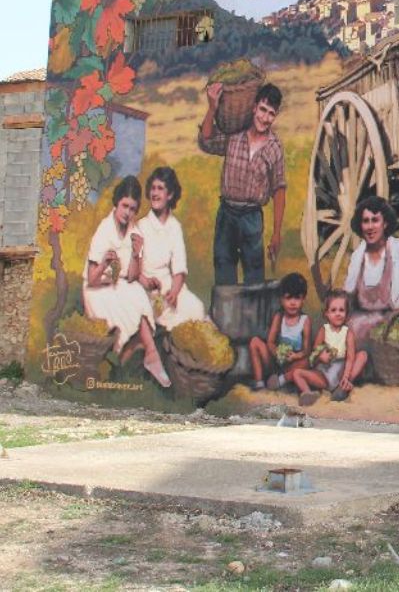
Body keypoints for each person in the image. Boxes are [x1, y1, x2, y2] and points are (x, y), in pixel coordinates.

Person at [81, 175, 171, 388]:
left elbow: (130, 276)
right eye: (124, 207)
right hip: (97, 289)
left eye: (132, 209)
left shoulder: (133, 231)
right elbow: (92, 280)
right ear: (116, 203)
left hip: (118, 285)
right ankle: (144, 355)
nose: (127, 213)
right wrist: (104, 263)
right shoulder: (104, 231)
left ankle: (144, 355)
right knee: (133, 296)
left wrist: (136, 254)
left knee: (135, 292)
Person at [198, 82, 286, 285]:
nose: (264, 118)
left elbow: (279, 189)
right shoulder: (234, 136)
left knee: (254, 278)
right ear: (254, 107)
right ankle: (225, 316)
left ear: (275, 116)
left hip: (252, 218)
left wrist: (276, 234)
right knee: (223, 270)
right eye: (262, 110)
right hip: (226, 215)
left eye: (271, 114)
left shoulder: (275, 148)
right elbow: (206, 138)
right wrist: (212, 108)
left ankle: (252, 317)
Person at [342, 195, 399, 349]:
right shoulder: (358, 255)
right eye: (365, 221)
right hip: (358, 327)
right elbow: (348, 295)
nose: (370, 227)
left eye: (375, 220)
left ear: (385, 223)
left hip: (392, 324)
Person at [136, 166, 207, 331]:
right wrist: (146, 282)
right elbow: (134, 269)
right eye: (153, 188)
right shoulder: (141, 227)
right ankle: (166, 341)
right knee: (162, 315)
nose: (155, 193)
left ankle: (180, 343)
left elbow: (179, 268)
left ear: (170, 194)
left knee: (196, 308)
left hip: (170, 286)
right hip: (147, 288)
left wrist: (174, 292)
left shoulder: (175, 227)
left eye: (160, 188)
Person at [293, 292, 368, 405]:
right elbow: (314, 354)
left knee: (362, 355)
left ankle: (343, 386)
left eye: (341, 310)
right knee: (297, 373)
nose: (338, 314)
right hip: (324, 374)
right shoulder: (324, 330)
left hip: (341, 372)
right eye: (333, 310)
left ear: (346, 313)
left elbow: (350, 358)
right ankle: (308, 393)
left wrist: (346, 376)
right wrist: (320, 356)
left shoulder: (348, 333)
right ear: (327, 314)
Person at [247, 272, 312, 391]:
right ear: (281, 300)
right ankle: (259, 382)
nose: (292, 303)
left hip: (293, 363)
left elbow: (306, 350)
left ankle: (282, 380)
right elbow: (270, 341)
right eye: (288, 298)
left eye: (297, 298)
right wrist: (277, 352)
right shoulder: (279, 317)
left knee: (308, 361)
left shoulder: (305, 320)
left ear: (303, 299)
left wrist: (295, 356)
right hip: (276, 362)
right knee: (255, 342)